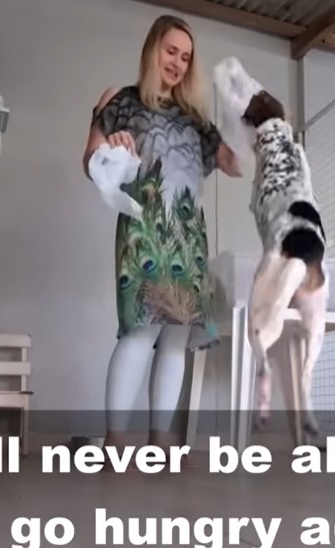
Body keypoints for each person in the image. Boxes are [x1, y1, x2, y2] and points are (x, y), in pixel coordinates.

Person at [82, 14, 242, 467]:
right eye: (171, 51)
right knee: (140, 330)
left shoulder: (196, 120)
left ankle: (160, 443)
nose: (177, 62)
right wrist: (110, 147)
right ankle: (116, 443)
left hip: (188, 236)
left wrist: (249, 126)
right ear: (153, 49)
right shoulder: (120, 101)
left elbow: (233, 164)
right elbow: (89, 160)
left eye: (186, 57)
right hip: (144, 231)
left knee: (175, 339)